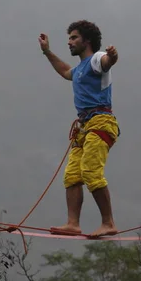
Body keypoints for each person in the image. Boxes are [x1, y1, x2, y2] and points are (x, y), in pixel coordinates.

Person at [40, 20, 120, 237]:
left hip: (101, 122)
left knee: (91, 171)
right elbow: (65, 71)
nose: (70, 42)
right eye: (69, 38)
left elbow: (107, 62)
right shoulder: (79, 70)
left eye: (74, 38)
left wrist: (112, 56)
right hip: (84, 126)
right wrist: (47, 52)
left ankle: (108, 223)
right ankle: (73, 224)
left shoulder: (95, 59)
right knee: (73, 175)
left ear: (87, 41)